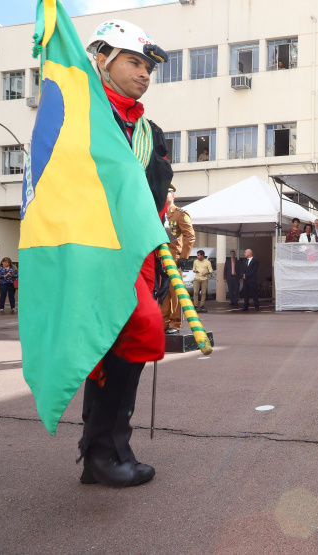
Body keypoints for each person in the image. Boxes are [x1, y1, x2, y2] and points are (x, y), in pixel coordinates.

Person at [78, 19, 173, 488]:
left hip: (142, 251)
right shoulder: (84, 114)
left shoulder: (149, 130)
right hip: (97, 248)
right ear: (103, 60)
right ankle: (107, 449)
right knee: (133, 333)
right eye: (134, 62)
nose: (143, 73)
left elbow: (157, 195)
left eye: (147, 66)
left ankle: (100, 452)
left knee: (120, 346)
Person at [162, 189, 195, 335]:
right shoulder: (158, 214)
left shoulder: (180, 214)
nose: (164, 196)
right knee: (162, 293)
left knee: (174, 292)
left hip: (174, 258)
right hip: (160, 259)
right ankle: (163, 323)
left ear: (173, 196)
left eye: (167, 193)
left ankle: (175, 324)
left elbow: (190, 236)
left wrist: (184, 257)